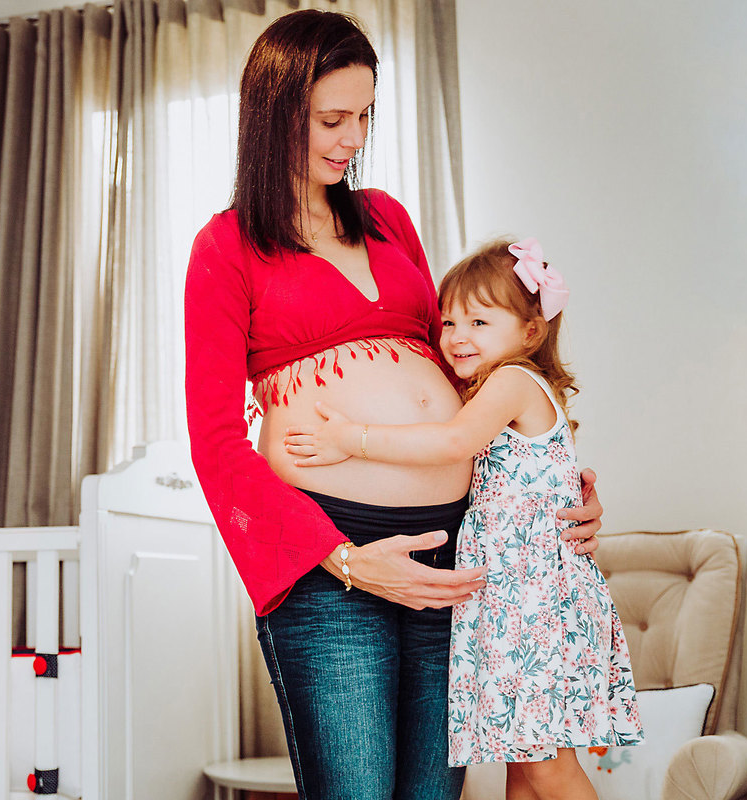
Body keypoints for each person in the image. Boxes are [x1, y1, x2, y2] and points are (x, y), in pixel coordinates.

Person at [182, 10, 605, 800]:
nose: (351, 139)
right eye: (331, 119)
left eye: (365, 115)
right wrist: (341, 559)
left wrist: (551, 481)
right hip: (333, 566)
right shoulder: (226, 247)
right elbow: (214, 443)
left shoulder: (386, 219)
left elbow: (471, 375)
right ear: (275, 114)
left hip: (455, 556)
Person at [285, 238, 643, 799]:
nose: (456, 337)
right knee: (521, 765)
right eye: (449, 322)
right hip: (509, 602)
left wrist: (349, 439)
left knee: (546, 764)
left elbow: (453, 443)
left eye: (479, 321)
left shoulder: (512, 382)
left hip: (534, 604)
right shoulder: (490, 388)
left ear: (530, 331)